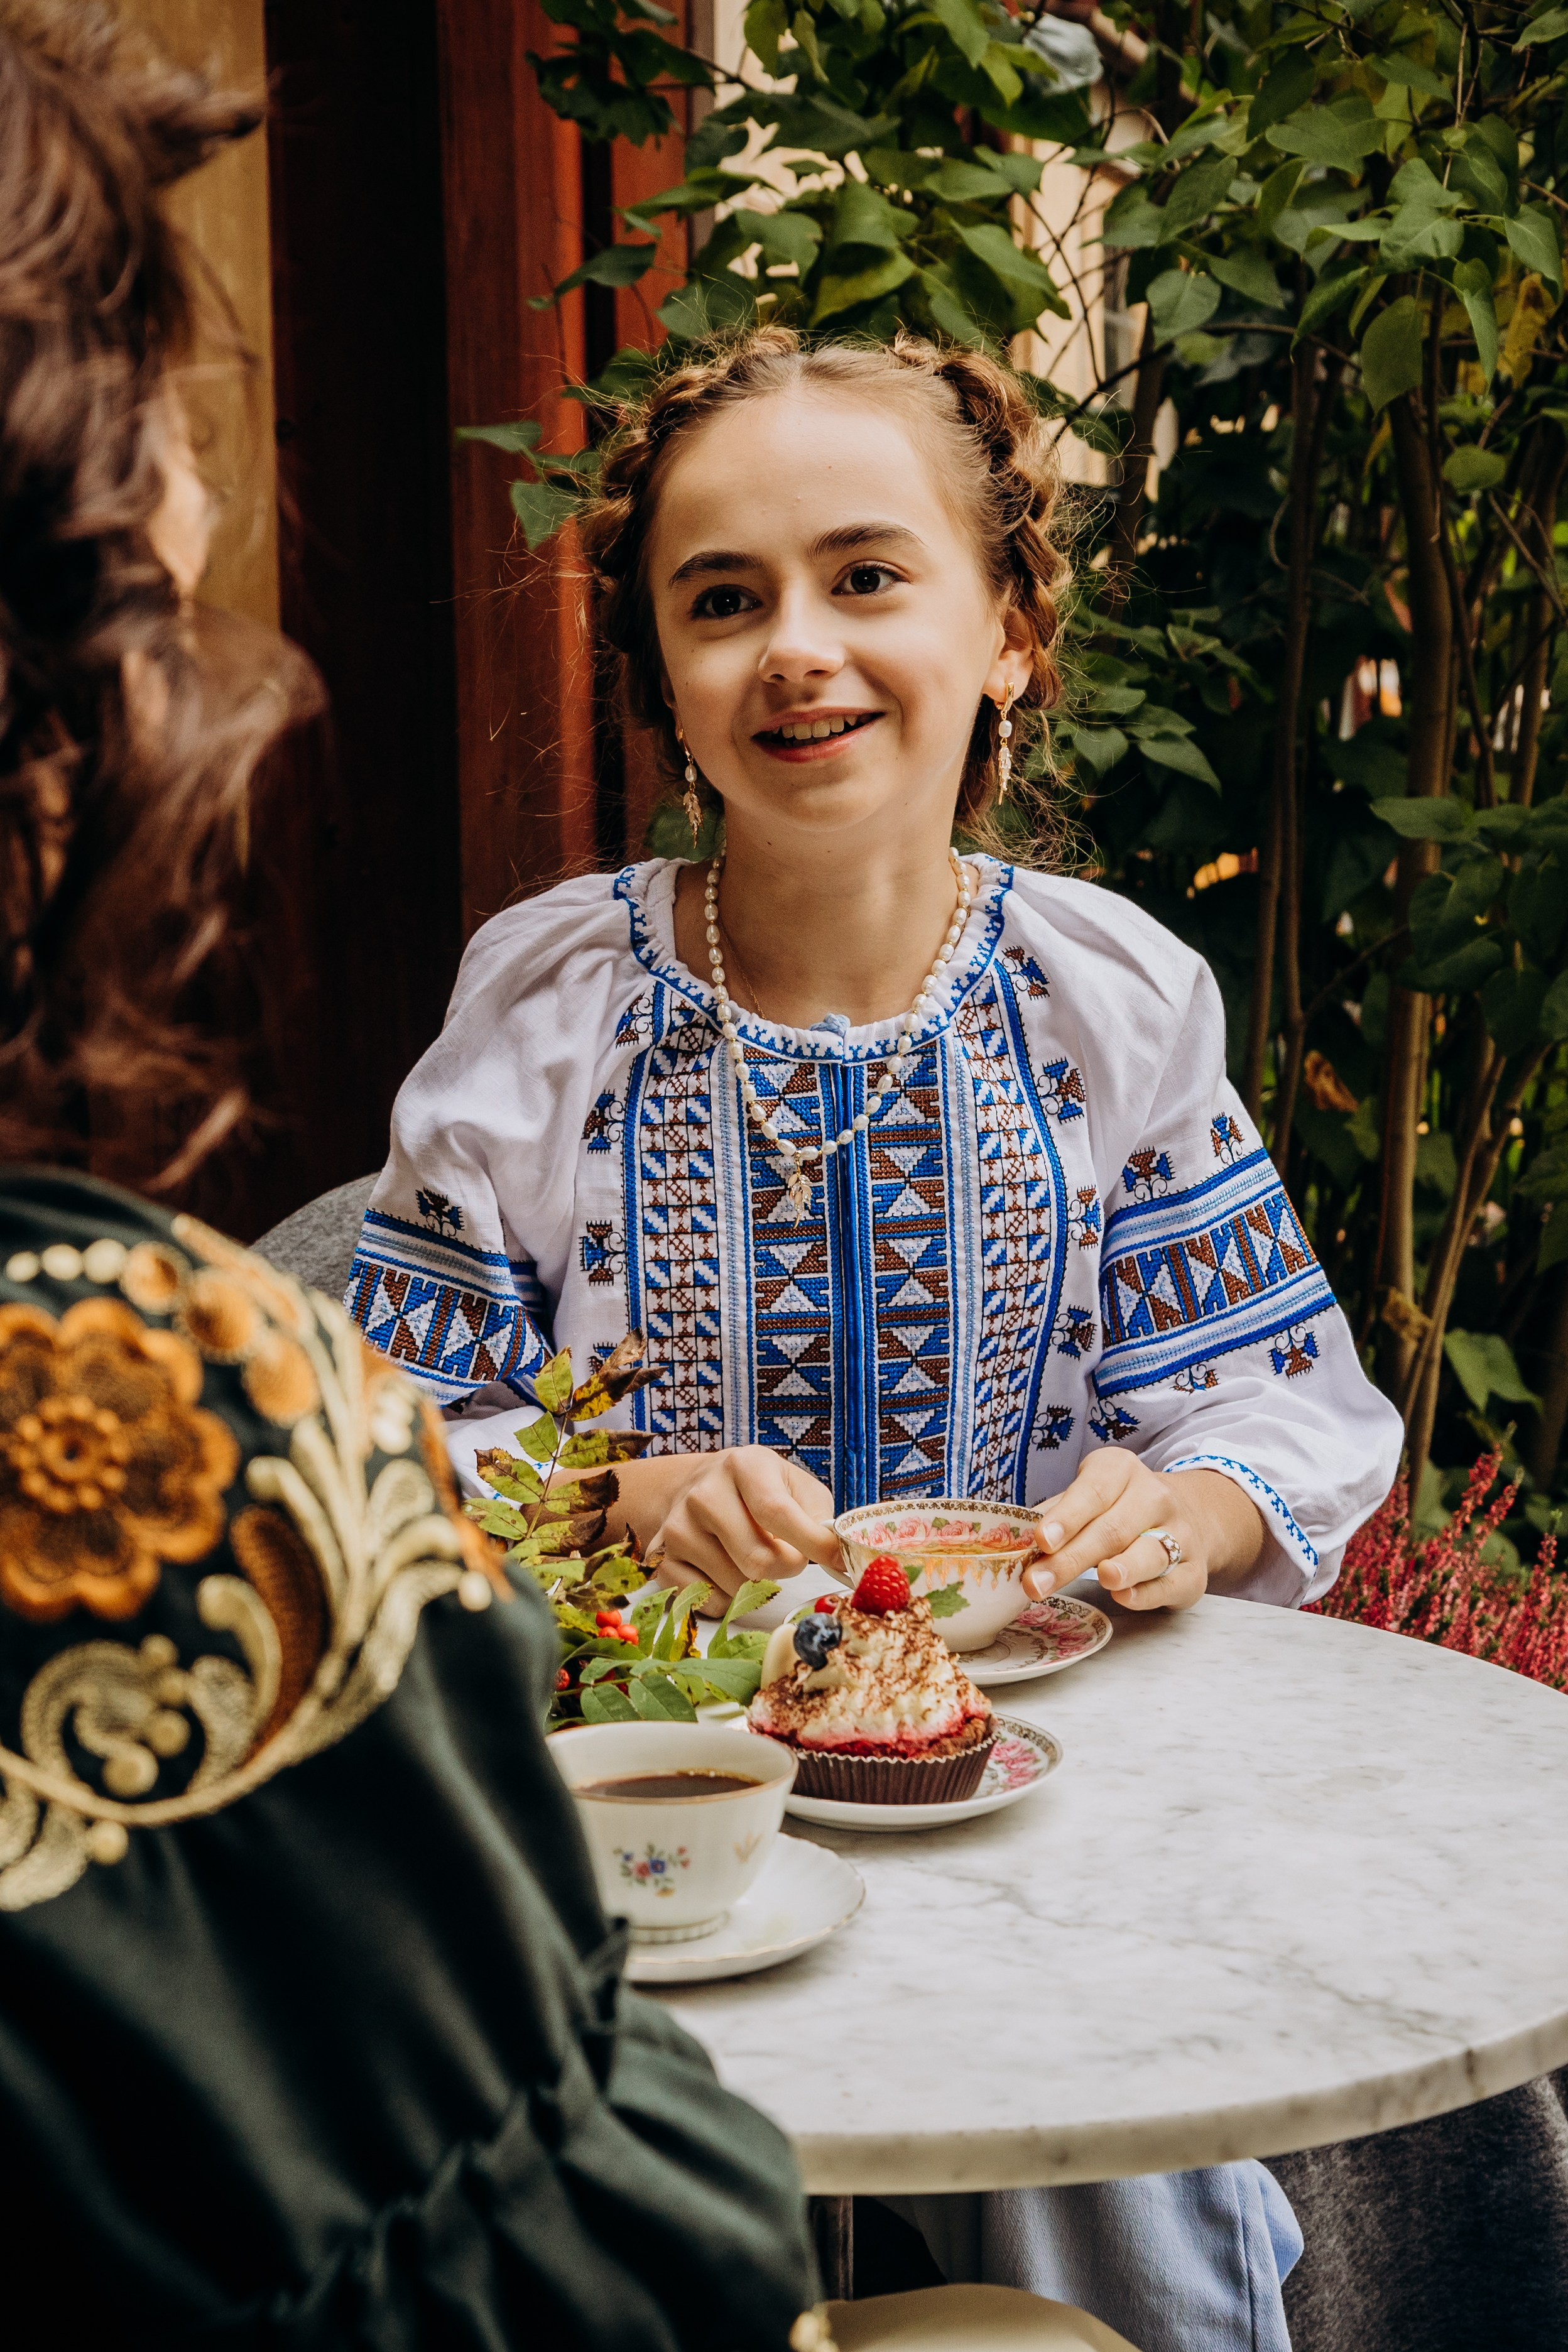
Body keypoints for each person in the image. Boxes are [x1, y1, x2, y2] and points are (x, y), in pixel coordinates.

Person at [348, 324, 1405, 2352]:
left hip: (1036, 1795)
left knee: (1126, 2224)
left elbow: (1275, 1390)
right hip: (655, 1819)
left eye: (867, 575)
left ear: (1012, 625)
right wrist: (603, 1494)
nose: (795, 649)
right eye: (723, 601)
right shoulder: (550, 1009)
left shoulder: (1110, 1000)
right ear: (659, 672)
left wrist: (1185, 1510)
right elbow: (384, 1429)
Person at [0, 10, 823, 2345]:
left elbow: (1251, 1402)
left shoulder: (1105, 991)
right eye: (163, 428)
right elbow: (617, 2264)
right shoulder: (125, 1407)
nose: (196, 518)